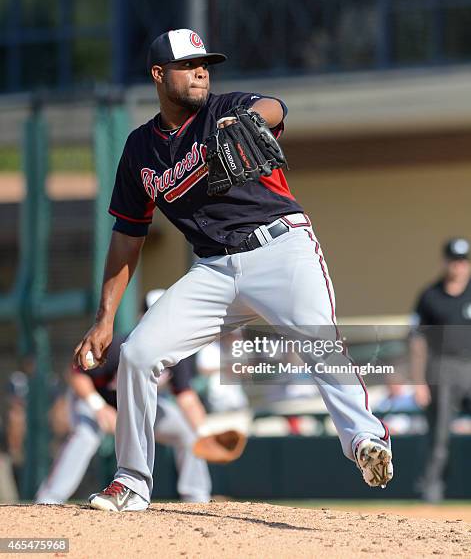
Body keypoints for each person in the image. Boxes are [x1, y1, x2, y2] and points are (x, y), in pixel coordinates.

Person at [73, 28, 393, 512]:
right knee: (137, 353)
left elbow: (275, 107)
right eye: (188, 64)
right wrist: (104, 319)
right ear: (159, 75)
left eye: (206, 63)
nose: (202, 70)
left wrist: (245, 118)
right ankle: (131, 482)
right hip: (215, 270)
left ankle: (367, 441)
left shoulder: (226, 108)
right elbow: (127, 236)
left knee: (319, 341)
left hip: (281, 250)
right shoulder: (140, 150)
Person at [37, 292, 211, 504]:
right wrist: (98, 407)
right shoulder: (120, 346)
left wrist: (205, 434)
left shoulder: (178, 356)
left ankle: (197, 497)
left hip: (135, 409)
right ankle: (49, 499)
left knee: (186, 432)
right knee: (86, 435)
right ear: (142, 317)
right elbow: (77, 374)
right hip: (95, 402)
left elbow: (187, 399)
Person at [410, 237, 471, 503]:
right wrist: (418, 382)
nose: (458, 266)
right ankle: (431, 493)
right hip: (442, 368)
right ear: (445, 262)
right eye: (453, 260)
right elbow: (417, 340)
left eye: (463, 261)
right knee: (439, 437)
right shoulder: (430, 295)